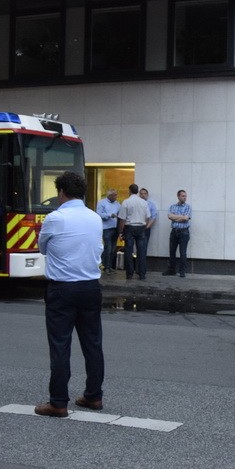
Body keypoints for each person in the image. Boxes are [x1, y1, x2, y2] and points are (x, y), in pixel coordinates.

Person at [35, 171, 105, 417]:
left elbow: (42, 247)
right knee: (93, 344)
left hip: (62, 288)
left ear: (61, 192)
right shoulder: (95, 218)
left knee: (60, 345)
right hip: (90, 287)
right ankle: (94, 396)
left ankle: (58, 402)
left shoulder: (56, 218)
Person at [118, 183, 150, 280]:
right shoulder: (144, 202)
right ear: (137, 191)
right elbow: (148, 216)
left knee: (129, 251)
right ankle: (142, 274)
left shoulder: (126, 202)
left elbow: (122, 219)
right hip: (141, 227)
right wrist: (144, 226)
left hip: (129, 228)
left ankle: (129, 274)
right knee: (141, 251)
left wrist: (120, 232)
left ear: (129, 191)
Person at [163, 189, 192, 277]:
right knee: (172, 251)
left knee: (183, 253)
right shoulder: (172, 206)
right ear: (178, 196)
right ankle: (172, 270)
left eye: (185, 196)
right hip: (174, 231)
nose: (185, 197)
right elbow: (169, 216)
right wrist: (181, 217)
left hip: (184, 232)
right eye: (183, 196)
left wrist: (175, 217)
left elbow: (186, 218)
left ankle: (182, 271)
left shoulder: (188, 207)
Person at [95, 188, 120, 273]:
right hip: (106, 228)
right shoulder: (102, 203)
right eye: (115, 195)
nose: (116, 197)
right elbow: (99, 214)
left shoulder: (117, 204)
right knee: (108, 247)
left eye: (116, 195)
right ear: (109, 196)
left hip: (115, 228)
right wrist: (109, 215)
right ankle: (105, 266)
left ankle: (109, 266)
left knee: (113, 249)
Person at [138, 187, 158, 270]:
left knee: (144, 248)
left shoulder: (151, 204)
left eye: (144, 194)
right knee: (138, 249)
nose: (143, 195)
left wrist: (147, 226)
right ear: (139, 195)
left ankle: (142, 268)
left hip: (145, 228)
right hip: (137, 227)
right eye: (141, 194)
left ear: (147, 195)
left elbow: (153, 216)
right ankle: (137, 268)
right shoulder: (137, 203)